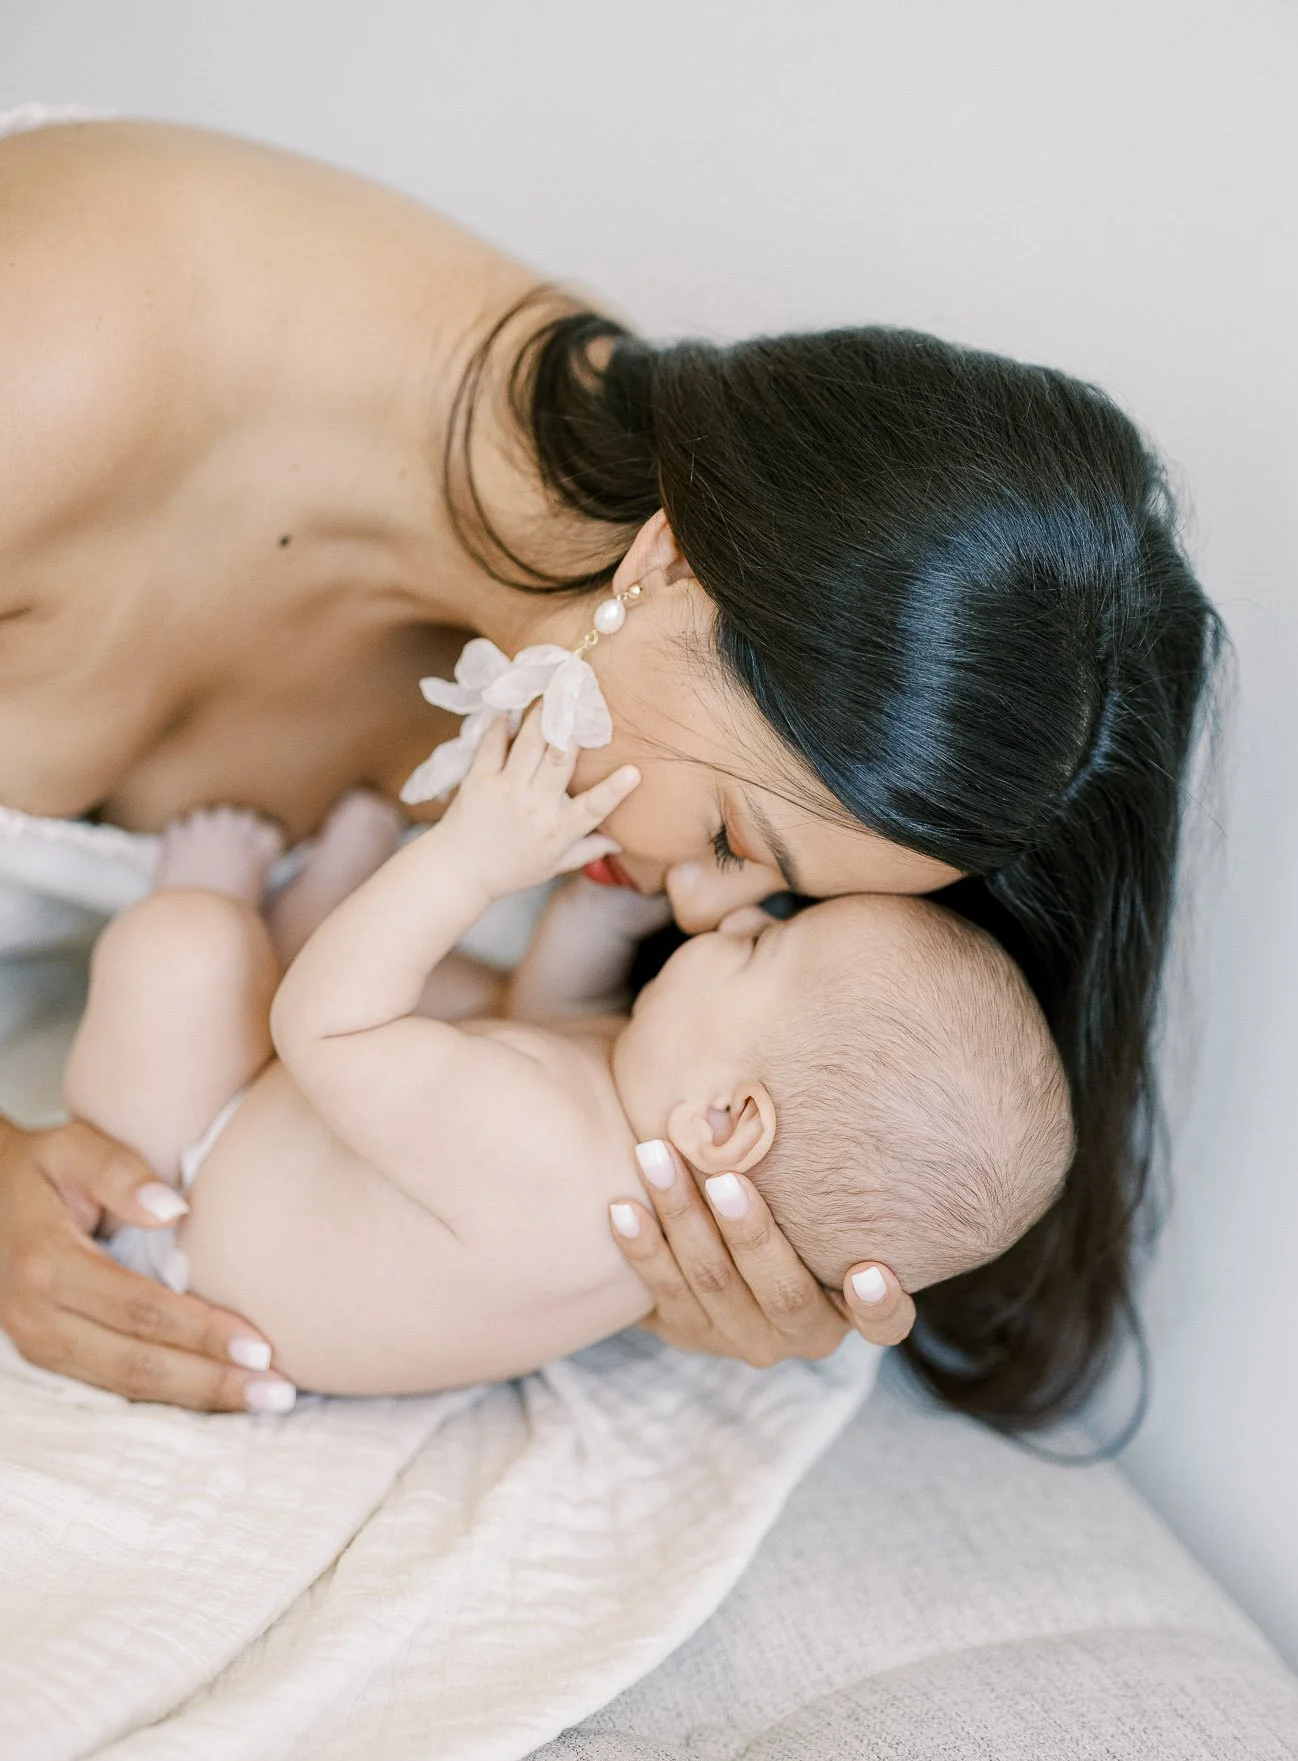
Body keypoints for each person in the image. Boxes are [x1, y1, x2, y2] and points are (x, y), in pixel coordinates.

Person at [0, 117, 1223, 1427]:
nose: (697, 910)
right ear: (669, 568)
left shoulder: (604, 668)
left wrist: (684, 1257)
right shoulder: (55, 367)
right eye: (737, 847)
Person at [65, 708, 1072, 1408]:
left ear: (727, 1120)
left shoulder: (532, 1144)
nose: (721, 926)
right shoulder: (629, 1163)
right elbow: (550, 1023)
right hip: (310, 1193)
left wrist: (467, 859)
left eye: (762, 946)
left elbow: (326, 1030)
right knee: (465, 1007)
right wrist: (593, 916)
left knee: (188, 950)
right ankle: (311, 911)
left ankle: (229, 906)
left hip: (181, 1215)